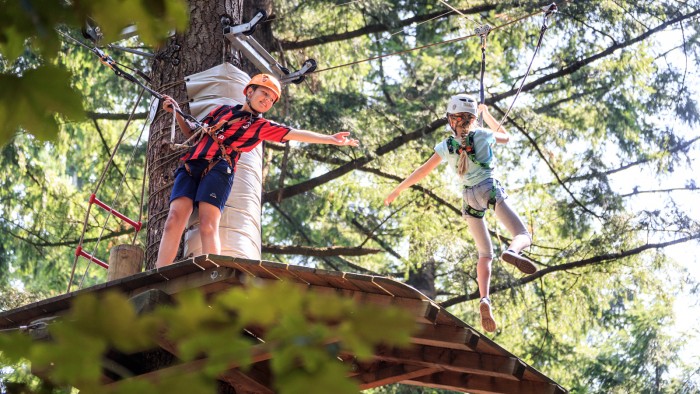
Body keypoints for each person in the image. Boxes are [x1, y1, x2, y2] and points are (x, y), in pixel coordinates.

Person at [156, 73, 359, 268]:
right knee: (173, 220)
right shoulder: (221, 111)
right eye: (264, 93)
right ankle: (158, 275)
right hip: (191, 164)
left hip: (218, 169)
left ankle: (212, 272)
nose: (267, 100)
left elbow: (293, 133)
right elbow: (192, 132)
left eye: (271, 99)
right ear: (250, 92)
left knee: (208, 224)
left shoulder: (260, 126)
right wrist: (174, 111)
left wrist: (329, 139)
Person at [384, 93, 536, 333]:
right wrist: (487, 114)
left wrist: (398, 189)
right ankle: (512, 250)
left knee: (485, 254)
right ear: (473, 119)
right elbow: (507, 137)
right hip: (489, 188)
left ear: (449, 119)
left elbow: (422, 171)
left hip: (468, 199)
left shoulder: (445, 147)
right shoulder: (484, 135)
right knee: (523, 234)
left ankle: (484, 299)